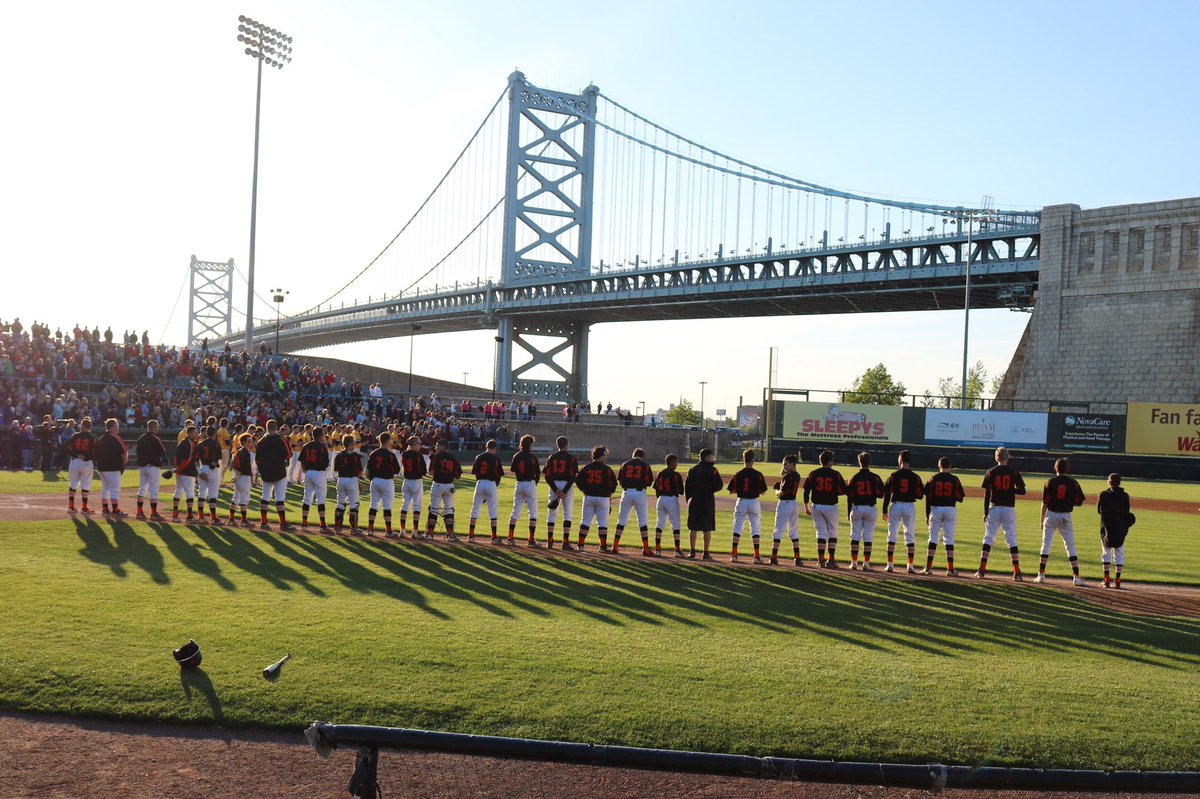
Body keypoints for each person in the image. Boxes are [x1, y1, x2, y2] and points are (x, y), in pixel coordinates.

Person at [975, 447, 1026, 580]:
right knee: (1011, 539)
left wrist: (985, 512)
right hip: (1008, 509)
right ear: (1007, 457)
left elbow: (987, 495)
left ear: (996, 458)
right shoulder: (1013, 471)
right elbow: (1022, 491)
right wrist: (1010, 490)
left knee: (988, 538)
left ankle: (981, 570)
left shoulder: (990, 472)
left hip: (994, 508)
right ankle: (1016, 572)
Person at [1036, 458, 1086, 586]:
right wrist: (1068, 501)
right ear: (1067, 468)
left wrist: (1041, 520)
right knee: (1070, 546)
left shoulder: (1049, 482)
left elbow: (1045, 503)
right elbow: (1080, 502)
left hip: (1051, 515)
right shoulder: (1073, 483)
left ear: (1055, 468)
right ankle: (1076, 577)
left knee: (1046, 544)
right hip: (1065, 516)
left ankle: (1041, 575)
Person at [882, 450, 924, 574]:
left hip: (896, 505)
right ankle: (910, 566)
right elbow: (920, 495)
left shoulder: (894, 475)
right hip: (909, 506)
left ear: (900, 459)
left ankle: (890, 565)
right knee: (909, 536)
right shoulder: (915, 476)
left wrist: (884, 510)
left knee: (892, 535)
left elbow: (887, 494)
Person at [804, 450, 847, 568]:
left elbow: (806, 490)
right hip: (831, 506)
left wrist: (806, 506)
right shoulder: (835, 474)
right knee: (833, 532)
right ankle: (831, 560)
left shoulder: (813, 473)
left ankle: (821, 560)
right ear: (830, 461)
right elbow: (843, 490)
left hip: (817, 506)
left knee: (821, 533)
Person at [922, 457, 965, 576]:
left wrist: (927, 514)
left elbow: (928, 498)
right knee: (949, 539)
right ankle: (950, 569)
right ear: (950, 466)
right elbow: (960, 498)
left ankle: (928, 568)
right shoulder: (954, 479)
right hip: (950, 509)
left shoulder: (933, 478)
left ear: (939, 466)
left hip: (935, 509)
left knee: (933, 538)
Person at [727, 449, 768, 564]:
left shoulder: (738, 474)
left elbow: (731, 491)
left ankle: (734, 554)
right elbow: (763, 492)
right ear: (753, 460)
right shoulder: (758, 474)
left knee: (737, 526)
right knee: (755, 527)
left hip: (741, 501)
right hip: (754, 502)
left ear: (743, 459)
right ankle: (756, 556)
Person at [574, 445, 618, 551]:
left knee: (585, 521)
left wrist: (584, 491)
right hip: (603, 498)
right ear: (601, 455)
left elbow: (578, 480)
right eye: (605, 455)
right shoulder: (607, 469)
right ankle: (602, 546)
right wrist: (610, 495)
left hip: (589, 497)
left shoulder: (586, 467)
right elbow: (614, 485)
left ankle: (580, 545)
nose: (606, 457)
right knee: (602, 522)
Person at [845, 451, 884, 570]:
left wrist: (848, 512)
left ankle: (854, 563)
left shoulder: (854, 477)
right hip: (870, 508)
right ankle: (866, 563)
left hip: (856, 507)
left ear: (859, 462)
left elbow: (849, 496)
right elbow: (881, 494)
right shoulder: (875, 477)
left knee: (855, 536)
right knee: (868, 537)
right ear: (870, 462)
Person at [613, 447, 655, 556]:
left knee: (621, 520)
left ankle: (615, 545)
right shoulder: (645, 465)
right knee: (642, 521)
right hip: (640, 493)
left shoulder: (625, 464)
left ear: (633, 455)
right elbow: (649, 482)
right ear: (643, 456)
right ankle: (645, 548)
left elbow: (620, 481)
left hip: (626, 493)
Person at [684, 448, 723, 560]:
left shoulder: (692, 469)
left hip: (695, 500)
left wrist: (689, 498)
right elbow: (718, 486)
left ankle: (692, 552)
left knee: (693, 528)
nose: (712, 458)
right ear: (706, 457)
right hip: (707, 501)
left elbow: (688, 487)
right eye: (711, 456)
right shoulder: (713, 470)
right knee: (707, 528)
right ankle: (705, 553)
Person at [255, 420, 294, 531]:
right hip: (279, 471)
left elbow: (257, 460)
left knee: (265, 496)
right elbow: (289, 454)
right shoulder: (281, 439)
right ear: (276, 427)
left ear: (266, 428)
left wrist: (263, 469)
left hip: (266, 472)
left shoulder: (261, 441)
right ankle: (282, 523)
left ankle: (263, 522)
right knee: (280, 497)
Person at [1097, 473, 1133, 589]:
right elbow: (1127, 512)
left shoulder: (1103, 494)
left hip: (1106, 527)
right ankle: (1117, 580)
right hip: (1120, 528)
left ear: (1109, 482)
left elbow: (1099, 511)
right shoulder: (1125, 496)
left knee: (1106, 553)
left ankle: (1106, 579)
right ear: (1120, 483)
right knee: (1119, 553)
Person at [543, 436, 579, 549]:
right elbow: (573, 477)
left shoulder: (551, 458)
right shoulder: (572, 458)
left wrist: (555, 490)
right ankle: (565, 542)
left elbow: (547, 476)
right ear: (567, 444)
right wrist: (564, 490)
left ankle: (549, 541)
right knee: (567, 514)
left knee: (552, 514)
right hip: (566, 486)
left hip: (554, 484)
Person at [769, 454, 803, 566]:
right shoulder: (797, 475)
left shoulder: (789, 476)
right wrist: (783, 477)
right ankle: (797, 557)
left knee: (778, 530)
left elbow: (782, 492)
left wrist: (776, 491)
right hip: (793, 503)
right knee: (793, 531)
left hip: (784, 503)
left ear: (792, 464)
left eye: (786, 464)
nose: (783, 466)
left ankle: (773, 557)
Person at [508, 434, 540, 546]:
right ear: (530, 444)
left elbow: (513, 469)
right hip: (530, 483)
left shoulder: (516, 455)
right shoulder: (533, 457)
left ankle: (510, 538)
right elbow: (538, 474)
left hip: (519, 483)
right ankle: (531, 540)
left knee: (515, 511)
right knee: (533, 513)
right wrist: (533, 485)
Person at [427, 439, 462, 540]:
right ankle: (450, 534)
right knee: (449, 510)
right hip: (449, 486)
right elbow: (457, 476)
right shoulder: (453, 457)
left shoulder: (435, 457)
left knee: (433, 509)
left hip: (437, 485)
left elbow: (430, 472)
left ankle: (429, 533)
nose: (436, 447)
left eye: (437, 445)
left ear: (443, 446)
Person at [470, 439, 504, 543]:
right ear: (495, 448)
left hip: (480, 483)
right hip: (491, 484)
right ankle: (493, 537)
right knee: (492, 511)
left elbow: (475, 473)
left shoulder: (479, 457)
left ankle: (471, 536)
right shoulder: (496, 458)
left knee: (475, 510)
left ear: (486, 447)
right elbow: (499, 475)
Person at [366, 432, 399, 536]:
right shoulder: (391, 455)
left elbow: (368, 470)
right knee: (387, 506)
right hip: (386, 481)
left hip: (375, 480)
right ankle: (388, 530)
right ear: (388, 441)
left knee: (373, 504)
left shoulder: (373, 453)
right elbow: (397, 470)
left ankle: (370, 529)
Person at [299, 427, 332, 532]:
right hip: (319, 472)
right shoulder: (322, 447)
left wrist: (305, 471)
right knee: (321, 499)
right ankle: (322, 524)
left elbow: (302, 461)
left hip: (308, 472)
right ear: (320, 435)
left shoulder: (306, 446)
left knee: (307, 497)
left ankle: (304, 522)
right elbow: (326, 463)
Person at [652, 454, 685, 557]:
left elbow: (656, 488)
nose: (677, 464)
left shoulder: (660, 473)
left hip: (661, 499)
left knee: (659, 523)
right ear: (671, 462)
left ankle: (657, 549)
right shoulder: (676, 475)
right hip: (671, 499)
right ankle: (677, 550)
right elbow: (681, 491)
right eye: (676, 462)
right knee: (675, 524)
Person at [135, 419, 167, 521]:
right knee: (153, 489)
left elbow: (137, 452)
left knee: (142, 488)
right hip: (153, 467)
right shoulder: (156, 438)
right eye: (157, 426)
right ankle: (153, 513)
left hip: (143, 467)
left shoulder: (141, 438)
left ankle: (139, 512)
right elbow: (163, 451)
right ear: (153, 427)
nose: (158, 428)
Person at [95, 418, 128, 517]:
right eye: (117, 425)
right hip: (113, 467)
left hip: (102, 467)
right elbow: (124, 453)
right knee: (115, 488)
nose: (118, 427)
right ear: (113, 427)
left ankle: (105, 508)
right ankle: (115, 509)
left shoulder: (101, 438)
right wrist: (124, 461)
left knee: (105, 487)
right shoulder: (115, 437)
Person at [333, 434, 363, 533]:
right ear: (350, 444)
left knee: (340, 503)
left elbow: (336, 469)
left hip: (341, 480)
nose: (354, 445)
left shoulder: (338, 455)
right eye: (353, 443)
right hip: (352, 480)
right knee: (354, 504)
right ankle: (353, 529)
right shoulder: (355, 456)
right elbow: (359, 471)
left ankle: (338, 527)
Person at [66, 418, 97, 513]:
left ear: (82, 426)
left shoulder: (74, 436)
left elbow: (67, 447)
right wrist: (86, 456)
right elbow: (95, 451)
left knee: (73, 483)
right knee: (85, 485)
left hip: (75, 462)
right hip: (86, 463)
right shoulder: (92, 438)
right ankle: (84, 507)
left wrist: (75, 455)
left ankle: (71, 506)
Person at [400, 435, 427, 537]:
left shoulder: (404, 454)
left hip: (406, 481)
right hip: (416, 481)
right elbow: (424, 472)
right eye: (419, 443)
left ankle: (402, 530)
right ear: (415, 444)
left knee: (405, 505)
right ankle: (415, 531)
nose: (420, 446)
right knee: (417, 506)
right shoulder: (418, 456)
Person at [172, 425, 199, 522]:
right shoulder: (191, 443)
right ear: (190, 433)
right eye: (195, 432)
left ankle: (175, 515)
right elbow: (187, 459)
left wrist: (177, 469)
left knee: (178, 491)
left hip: (181, 471)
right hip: (188, 471)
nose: (197, 434)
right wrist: (179, 469)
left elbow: (176, 457)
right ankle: (189, 516)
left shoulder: (181, 442)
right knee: (190, 493)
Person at [195, 426, 223, 523]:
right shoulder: (216, 444)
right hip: (212, 470)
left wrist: (200, 472)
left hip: (203, 467)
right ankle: (214, 518)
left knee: (201, 492)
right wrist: (207, 472)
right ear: (214, 433)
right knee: (213, 494)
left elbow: (196, 460)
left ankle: (200, 517)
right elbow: (215, 461)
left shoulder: (200, 444)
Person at [228, 433, 256, 526]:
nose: (250, 443)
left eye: (251, 441)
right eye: (248, 441)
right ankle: (243, 520)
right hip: (244, 477)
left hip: (238, 477)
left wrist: (237, 474)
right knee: (245, 498)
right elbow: (245, 467)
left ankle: (231, 519)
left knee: (236, 497)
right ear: (243, 442)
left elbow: (233, 465)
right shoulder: (245, 452)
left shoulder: (239, 451)